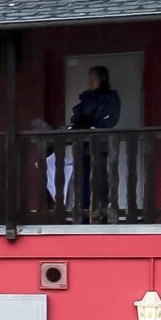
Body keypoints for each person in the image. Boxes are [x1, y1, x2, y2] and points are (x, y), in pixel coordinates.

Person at [68, 66, 121, 217]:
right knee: (82, 180)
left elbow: (111, 119)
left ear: (101, 79)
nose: (90, 82)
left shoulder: (110, 97)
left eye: (93, 78)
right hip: (82, 146)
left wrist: (93, 124)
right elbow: (75, 116)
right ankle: (83, 215)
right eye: (89, 78)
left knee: (99, 181)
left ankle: (101, 215)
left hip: (99, 146)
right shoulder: (85, 98)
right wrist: (81, 122)